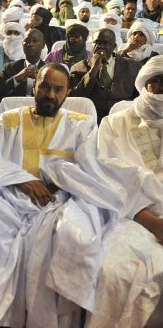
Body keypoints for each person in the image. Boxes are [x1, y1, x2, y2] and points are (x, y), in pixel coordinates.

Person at [0, 62, 126, 328]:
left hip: (60, 202)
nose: (50, 94)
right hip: (8, 196)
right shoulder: (6, 121)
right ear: (34, 86)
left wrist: (61, 182)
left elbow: (90, 171)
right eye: (45, 86)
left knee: (70, 238)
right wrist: (22, 180)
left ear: (67, 92)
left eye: (58, 89)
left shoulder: (82, 126)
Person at [87, 55, 163, 327]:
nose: (162, 88)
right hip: (130, 216)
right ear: (143, 84)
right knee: (115, 270)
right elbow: (107, 183)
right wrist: (153, 223)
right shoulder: (114, 123)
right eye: (156, 81)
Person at [70, 28, 142, 124]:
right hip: (91, 121)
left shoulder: (133, 66)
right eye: (97, 42)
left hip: (124, 120)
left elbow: (140, 98)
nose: (101, 46)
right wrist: (93, 70)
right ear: (91, 45)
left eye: (106, 43)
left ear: (114, 47)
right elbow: (76, 99)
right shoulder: (78, 68)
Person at [0, 28, 45, 112]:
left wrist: (41, 80)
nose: (30, 44)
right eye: (26, 41)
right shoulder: (9, 67)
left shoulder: (49, 69)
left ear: (43, 45)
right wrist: (16, 79)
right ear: (22, 44)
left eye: (35, 41)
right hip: (15, 112)